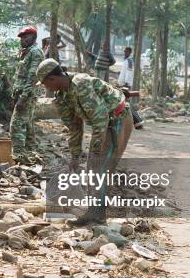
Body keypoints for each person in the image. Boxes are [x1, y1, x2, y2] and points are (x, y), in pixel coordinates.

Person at [37, 58, 133, 225]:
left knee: (100, 166)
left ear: (52, 78)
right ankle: (94, 212)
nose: (47, 88)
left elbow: (100, 116)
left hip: (118, 119)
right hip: (106, 123)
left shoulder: (80, 84)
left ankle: (97, 215)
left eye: (46, 84)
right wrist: (75, 156)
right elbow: (74, 127)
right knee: (93, 166)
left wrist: (95, 146)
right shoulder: (62, 97)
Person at [10, 26, 44, 164]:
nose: (22, 39)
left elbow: (32, 77)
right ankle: (33, 155)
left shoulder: (35, 52)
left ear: (34, 38)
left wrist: (23, 97)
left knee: (16, 126)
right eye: (21, 37)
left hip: (27, 95)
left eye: (26, 37)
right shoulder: (26, 52)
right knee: (28, 126)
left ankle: (18, 157)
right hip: (22, 94)